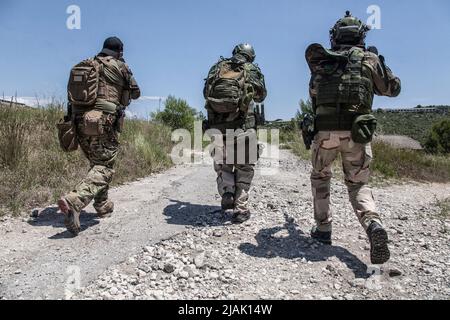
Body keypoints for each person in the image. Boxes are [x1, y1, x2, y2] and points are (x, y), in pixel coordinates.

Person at [305, 12, 401, 264]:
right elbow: (393, 89)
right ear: (360, 36)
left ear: (335, 37)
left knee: (320, 177)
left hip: (324, 132)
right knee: (358, 184)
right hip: (357, 133)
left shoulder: (322, 61)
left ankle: (323, 230)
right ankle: (372, 224)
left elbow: (313, 96)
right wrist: (379, 60)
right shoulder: (368, 60)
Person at [58, 37, 141, 235]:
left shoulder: (88, 64)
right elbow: (136, 93)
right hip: (101, 123)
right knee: (104, 167)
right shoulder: (120, 66)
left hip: (78, 122)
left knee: (98, 164)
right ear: (119, 52)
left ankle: (102, 205)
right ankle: (74, 201)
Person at [203, 44, 267, 223]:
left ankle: (228, 191)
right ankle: (240, 209)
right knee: (244, 166)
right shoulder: (251, 69)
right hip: (243, 127)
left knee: (223, 164)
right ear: (250, 57)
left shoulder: (218, 67)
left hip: (217, 127)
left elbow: (205, 93)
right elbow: (261, 96)